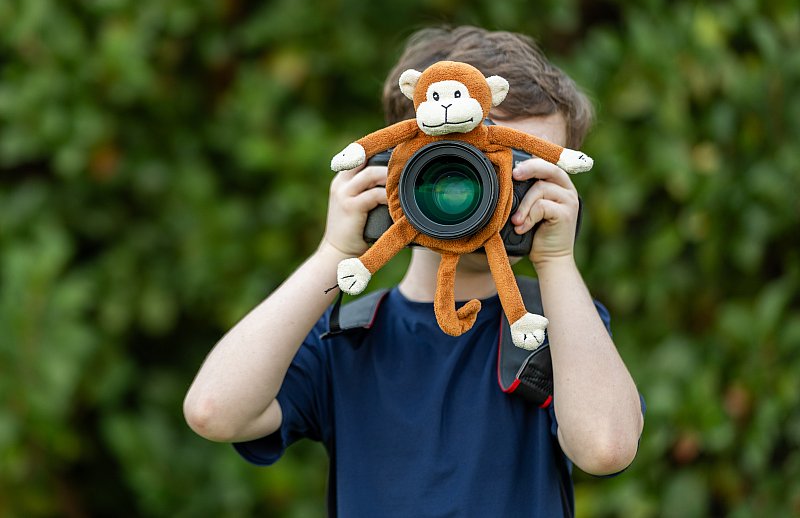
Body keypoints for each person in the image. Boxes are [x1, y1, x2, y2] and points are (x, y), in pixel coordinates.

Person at [183, 26, 645, 517]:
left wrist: (555, 261)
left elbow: (605, 447)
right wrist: (336, 250)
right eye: (473, 160)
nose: (497, 189)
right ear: (403, 163)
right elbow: (214, 411)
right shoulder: (347, 336)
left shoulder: (555, 324)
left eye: (523, 169)